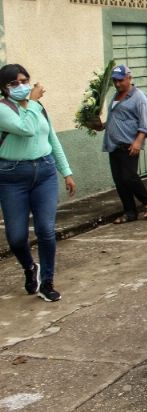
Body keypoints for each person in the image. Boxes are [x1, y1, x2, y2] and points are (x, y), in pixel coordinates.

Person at [0, 64, 76, 302]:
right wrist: (31, 101)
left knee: (45, 230)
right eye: (14, 83)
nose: (21, 86)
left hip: (45, 172)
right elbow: (26, 129)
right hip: (12, 177)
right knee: (16, 237)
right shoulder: (3, 109)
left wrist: (66, 172)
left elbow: (51, 138)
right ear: (4, 89)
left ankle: (47, 282)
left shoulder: (38, 107)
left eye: (24, 81)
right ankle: (30, 267)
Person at [96, 65, 147, 224]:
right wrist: (101, 125)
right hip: (113, 145)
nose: (117, 84)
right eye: (115, 81)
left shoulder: (138, 97)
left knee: (129, 177)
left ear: (129, 78)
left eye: (120, 80)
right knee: (120, 181)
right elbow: (116, 119)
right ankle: (129, 212)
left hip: (129, 144)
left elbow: (145, 122)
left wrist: (138, 141)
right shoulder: (116, 96)